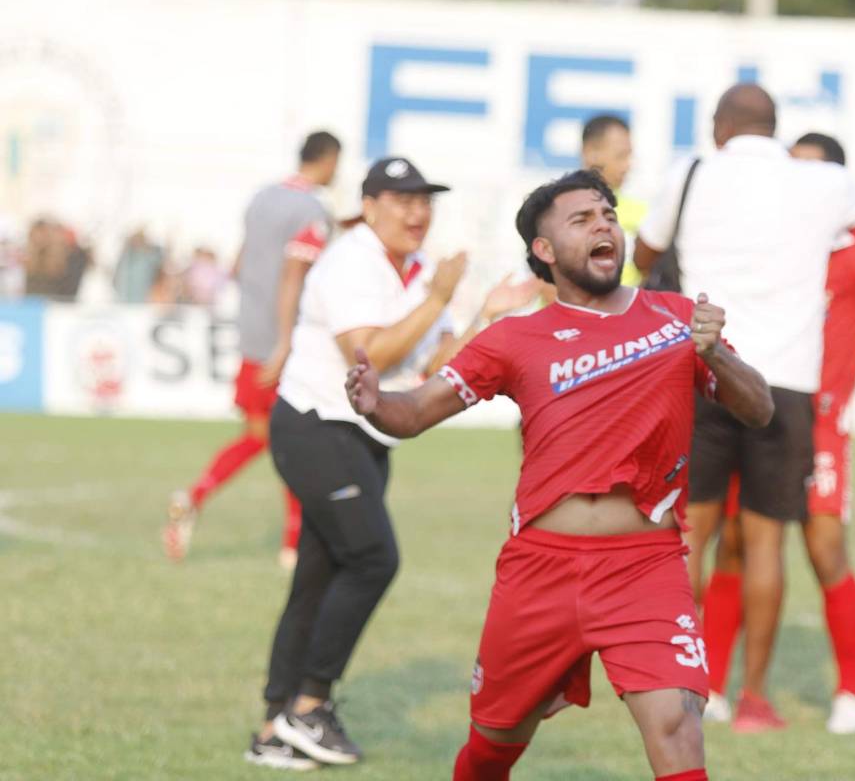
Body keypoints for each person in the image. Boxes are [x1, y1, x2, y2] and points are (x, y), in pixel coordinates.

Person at [345, 170, 774, 780]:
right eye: (582, 219)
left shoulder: (679, 318)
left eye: (607, 214)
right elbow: (413, 412)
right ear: (544, 251)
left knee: (678, 724)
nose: (604, 224)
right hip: (540, 570)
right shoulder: (513, 338)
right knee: (494, 742)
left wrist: (716, 354)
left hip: (645, 567)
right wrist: (374, 401)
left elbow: (758, 409)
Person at [247, 156, 538, 770]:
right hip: (314, 425)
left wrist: (488, 314)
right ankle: (309, 705)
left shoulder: (420, 269)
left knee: (319, 578)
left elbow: (435, 368)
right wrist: (436, 300)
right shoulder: (349, 261)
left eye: (425, 200)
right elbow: (370, 356)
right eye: (402, 199)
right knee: (374, 559)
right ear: (370, 205)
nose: (417, 212)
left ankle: (276, 727)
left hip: (363, 438)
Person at [633, 84, 855, 732]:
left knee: (690, 536)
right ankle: (754, 699)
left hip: (704, 368)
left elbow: (643, 255)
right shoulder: (821, 181)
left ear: (721, 129)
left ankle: (679, 685)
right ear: (774, 130)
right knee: (765, 542)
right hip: (785, 386)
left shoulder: (692, 173)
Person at [698, 132, 855, 734]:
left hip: (822, 426)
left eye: (808, 175)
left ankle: (851, 694)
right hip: (763, 416)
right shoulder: (767, 239)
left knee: (824, 550)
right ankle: (713, 690)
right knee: (733, 544)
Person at [164, 131, 341, 568]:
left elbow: (239, 265)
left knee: (263, 436)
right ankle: (292, 543)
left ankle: (194, 496)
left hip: (251, 338)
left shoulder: (260, 199)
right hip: (288, 342)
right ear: (329, 159)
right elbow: (293, 278)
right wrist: (285, 341)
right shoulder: (312, 209)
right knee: (300, 440)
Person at [580, 114, 647, 286]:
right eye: (620, 156)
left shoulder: (642, 213)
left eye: (629, 156)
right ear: (590, 153)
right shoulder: (555, 209)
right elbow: (549, 286)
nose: (628, 165)